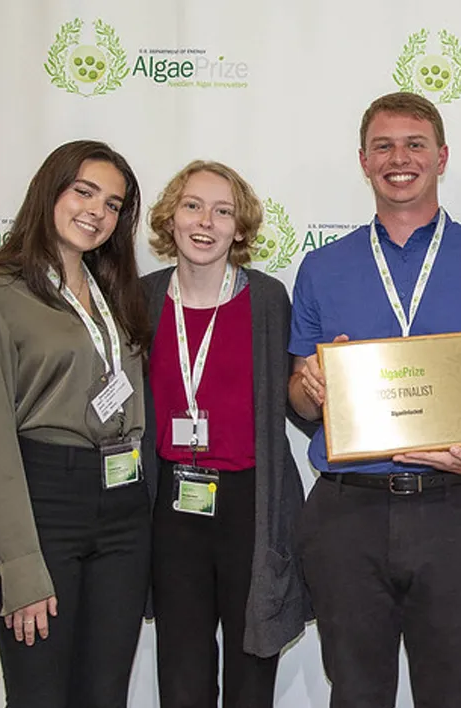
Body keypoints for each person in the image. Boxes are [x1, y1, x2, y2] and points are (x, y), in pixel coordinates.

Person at [287, 91, 461, 707]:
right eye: (383, 146)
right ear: (364, 161)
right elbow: (298, 395)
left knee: (450, 692)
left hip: (450, 511)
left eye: (414, 144)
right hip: (347, 514)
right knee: (354, 692)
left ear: (442, 156)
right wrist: (312, 387)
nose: (399, 158)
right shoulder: (321, 268)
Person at [0, 139, 152, 707]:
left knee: (104, 696)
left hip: (123, 511)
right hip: (43, 506)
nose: (97, 211)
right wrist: (18, 564)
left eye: (113, 204)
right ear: (49, 190)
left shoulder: (112, 290)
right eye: (84, 191)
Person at [141, 160, 311, 707]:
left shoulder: (266, 299)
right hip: (173, 505)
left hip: (251, 504)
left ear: (240, 229)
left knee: (250, 671)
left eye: (223, 211)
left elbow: (300, 403)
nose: (205, 222)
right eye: (192, 205)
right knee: (182, 671)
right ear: (171, 218)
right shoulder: (139, 300)